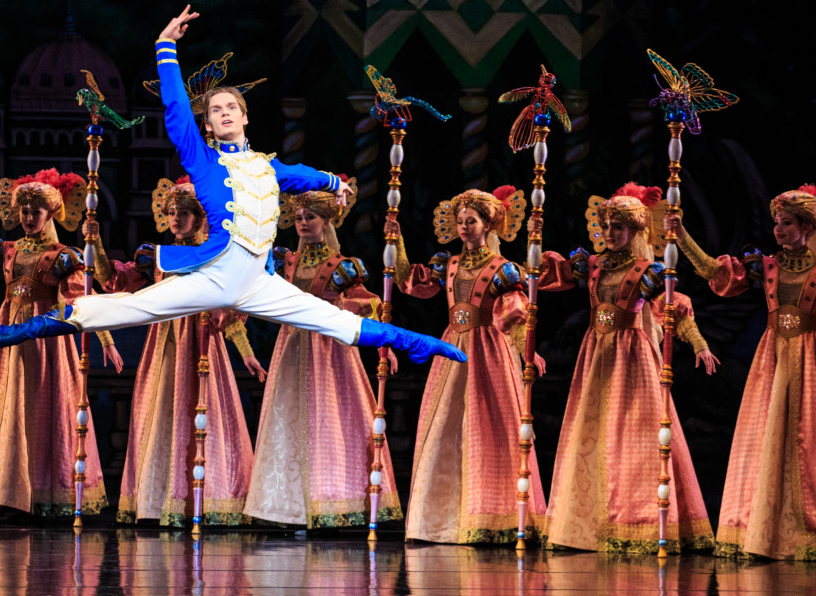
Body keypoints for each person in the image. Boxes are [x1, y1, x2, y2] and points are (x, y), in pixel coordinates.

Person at [0, 6, 465, 366]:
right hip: (217, 272)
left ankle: (427, 345)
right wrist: (165, 48)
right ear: (210, 126)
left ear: (245, 116)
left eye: (230, 107)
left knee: (340, 324)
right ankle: (20, 333)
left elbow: (305, 175)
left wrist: (335, 182)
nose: (222, 113)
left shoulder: (268, 169)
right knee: (123, 309)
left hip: (262, 282)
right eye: (215, 111)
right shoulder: (205, 164)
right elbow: (177, 111)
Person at [533, 183, 718, 552]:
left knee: (633, 433)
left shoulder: (647, 271)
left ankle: (637, 519)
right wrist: (534, 245)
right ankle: (587, 520)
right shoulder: (594, 264)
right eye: (607, 226)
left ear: (634, 231)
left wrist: (699, 343)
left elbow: (672, 309)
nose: (610, 233)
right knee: (591, 431)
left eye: (618, 227)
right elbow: (547, 275)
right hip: (596, 353)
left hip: (631, 355)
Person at [0, 168, 121, 517]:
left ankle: (47, 492)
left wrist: (106, 340)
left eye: (36, 212)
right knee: (11, 407)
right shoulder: (7, 250)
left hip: (46, 338)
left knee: (44, 406)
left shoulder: (63, 256)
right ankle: (9, 492)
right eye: (24, 212)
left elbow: (82, 302)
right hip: (10, 334)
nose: (28, 218)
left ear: (49, 214)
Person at [666, 181, 816, 561]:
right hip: (773, 356)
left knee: (808, 439)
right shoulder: (767, 266)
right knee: (769, 437)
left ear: (807, 228)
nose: (779, 230)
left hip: (814, 359)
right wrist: (680, 236)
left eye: (787, 223)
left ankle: (815, 528)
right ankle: (763, 526)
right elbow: (715, 272)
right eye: (776, 222)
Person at [87, 176, 266, 526]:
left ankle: (208, 497)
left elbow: (227, 314)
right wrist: (95, 243)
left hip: (200, 343)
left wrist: (245, 352)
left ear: (200, 218)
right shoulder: (158, 257)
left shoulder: (214, 257)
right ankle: (157, 501)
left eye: (184, 213)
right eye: (171, 213)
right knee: (162, 414)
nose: (176, 219)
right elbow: (113, 280)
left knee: (202, 413)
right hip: (164, 346)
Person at [389, 186, 547, 544]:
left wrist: (528, 351)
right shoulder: (449, 263)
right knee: (445, 426)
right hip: (452, 347)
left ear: (487, 223)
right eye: (459, 221)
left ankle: (492, 514)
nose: (463, 227)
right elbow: (408, 281)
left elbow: (515, 315)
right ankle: (441, 518)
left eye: (470, 221)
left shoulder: (503, 269)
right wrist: (395, 241)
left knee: (486, 426)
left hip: (488, 349)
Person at [243, 183, 402, 528]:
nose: (302, 223)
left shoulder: (342, 266)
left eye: (310, 217)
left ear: (326, 221)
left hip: (329, 349)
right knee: (288, 418)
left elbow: (369, 304)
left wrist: (383, 346)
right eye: (298, 217)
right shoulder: (289, 261)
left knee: (328, 419)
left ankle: (332, 500)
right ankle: (287, 508)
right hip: (292, 346)